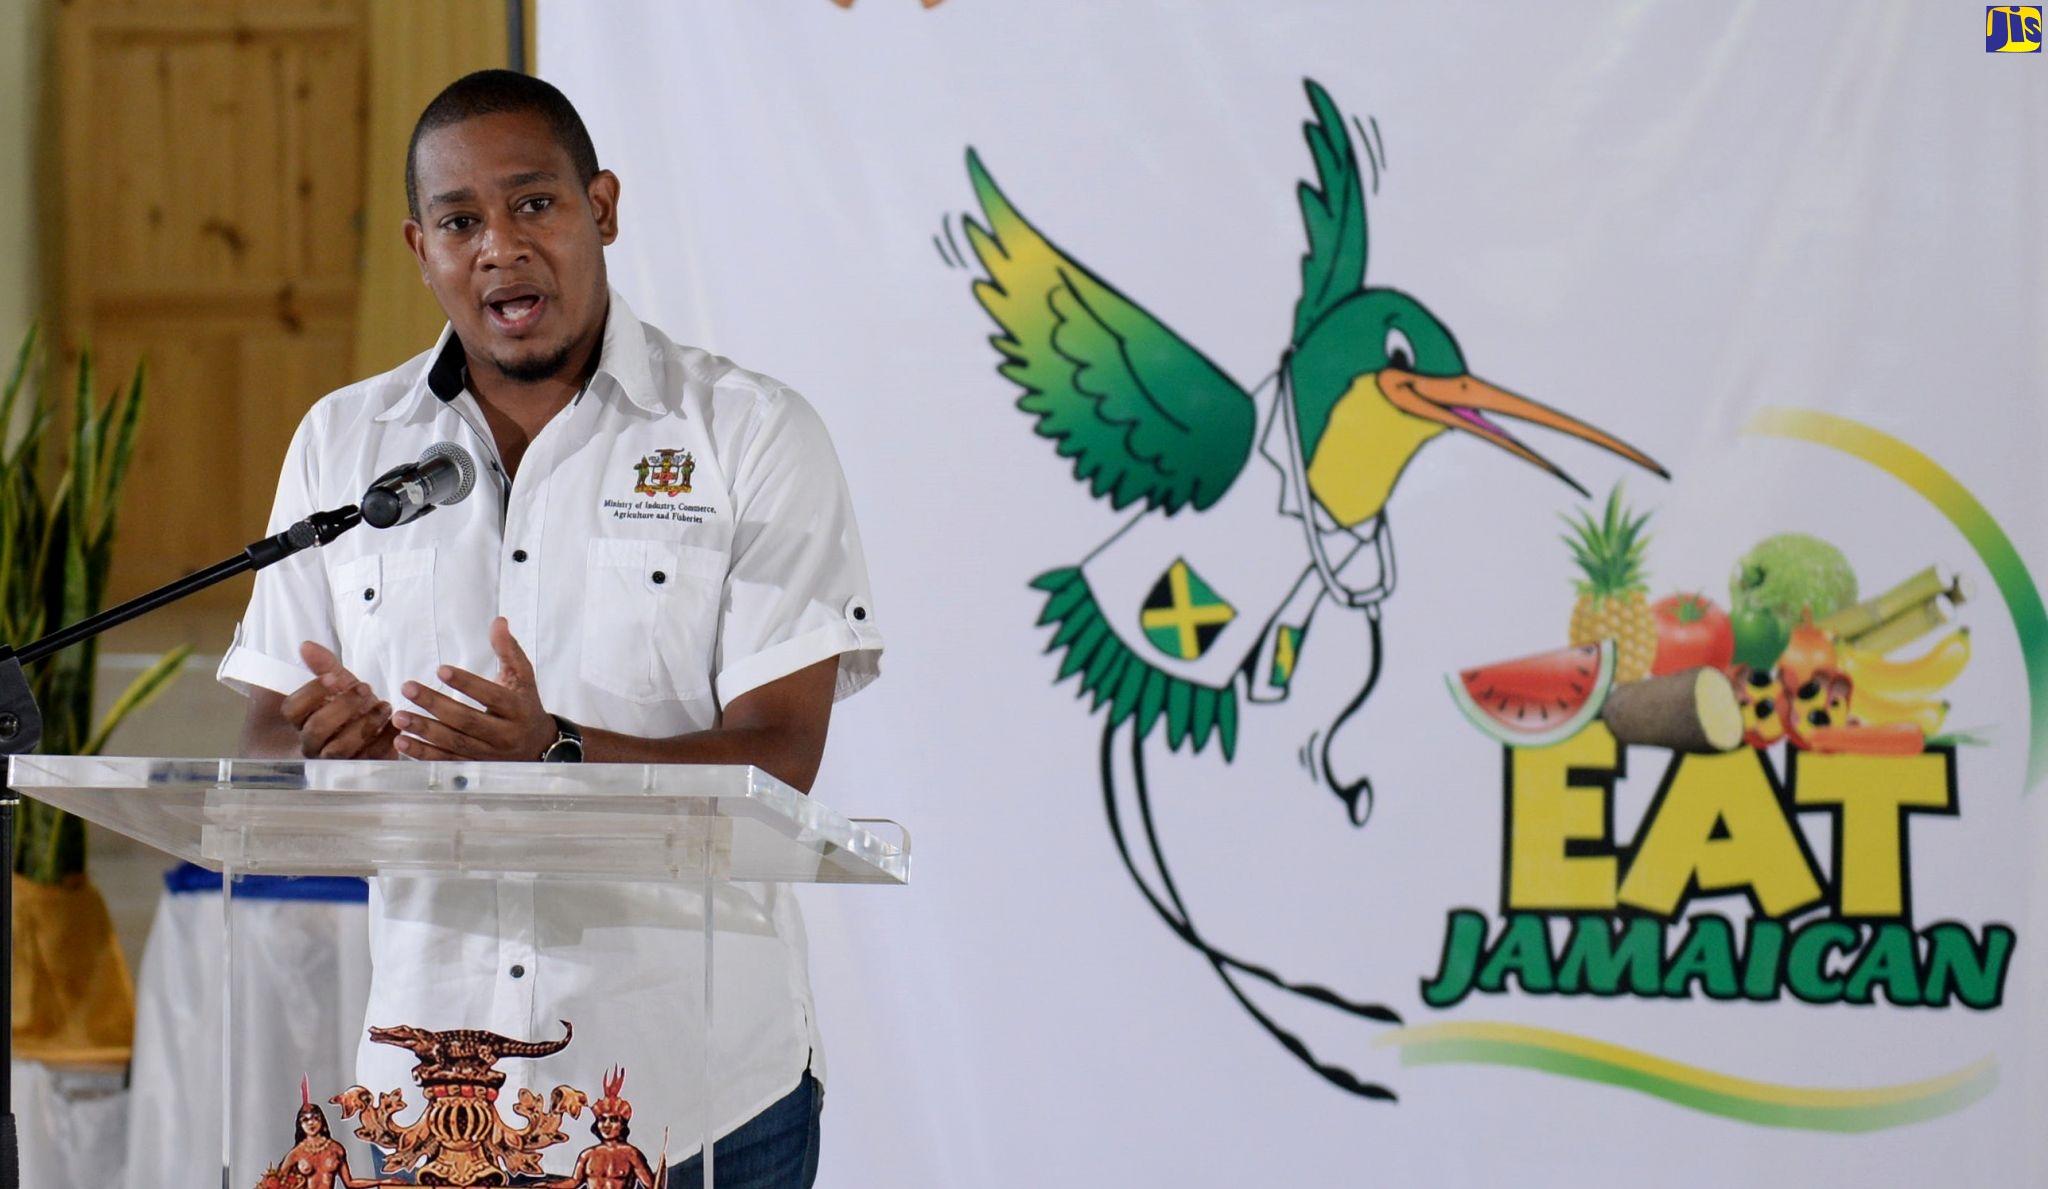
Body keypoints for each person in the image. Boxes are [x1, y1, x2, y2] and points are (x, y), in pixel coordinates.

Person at [220, 69, 882, 1188]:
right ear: (419, 248)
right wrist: (338, 750)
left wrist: (558, 753)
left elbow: (782, 751)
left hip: (694, 1096)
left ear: (602, 209)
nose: (499, 247)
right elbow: (263, 746)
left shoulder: (748, 433)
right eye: (460, 221)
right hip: (431, 1097)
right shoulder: (344, 447)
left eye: (534, 204)